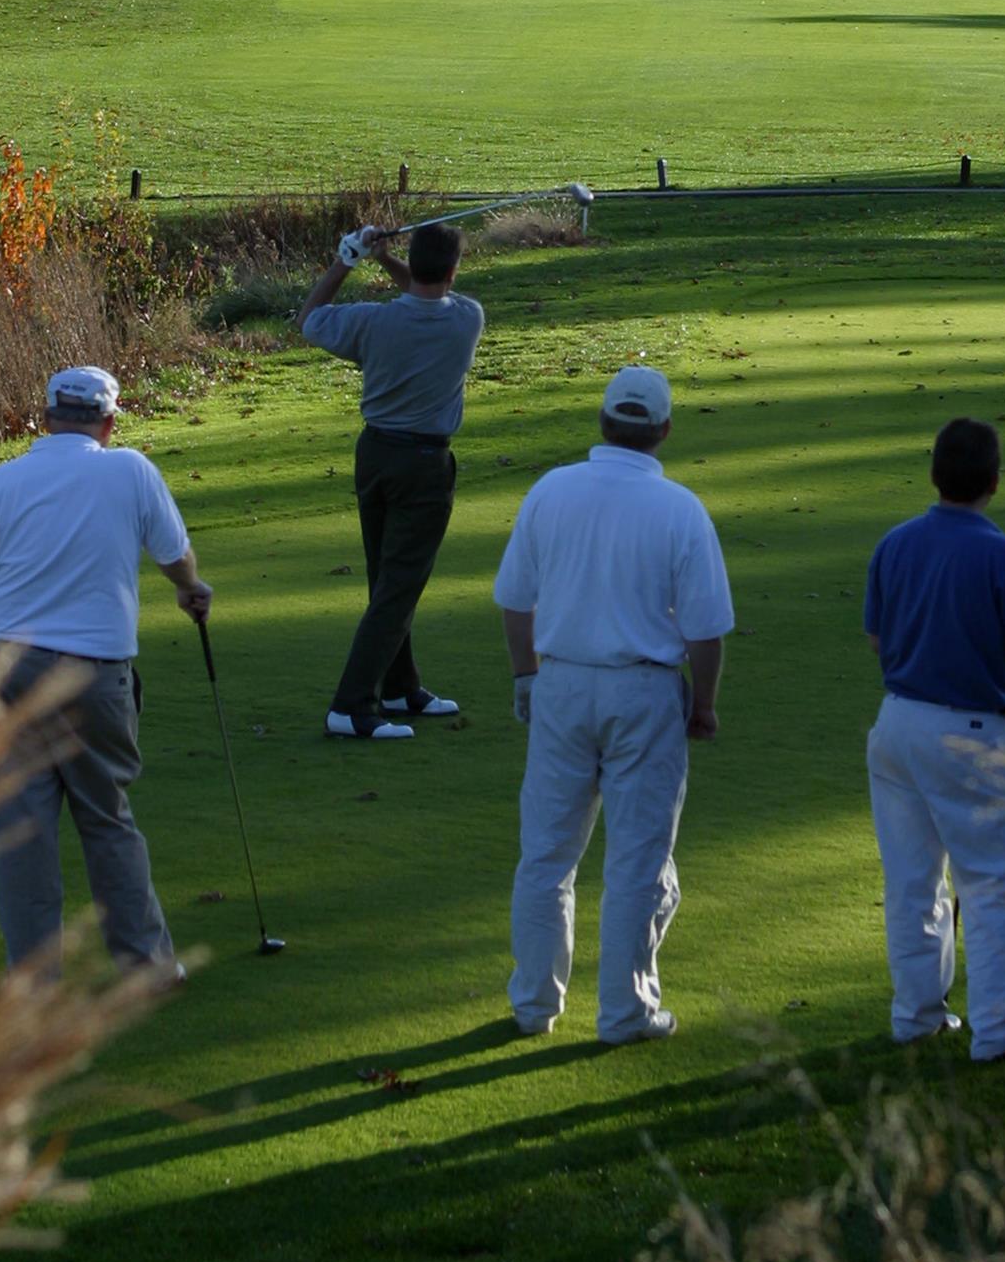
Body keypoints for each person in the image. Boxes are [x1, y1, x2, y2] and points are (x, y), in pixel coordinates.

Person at [0, 364, 212, 975]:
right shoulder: (131, 469)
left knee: (22, 833)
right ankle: (144, 965)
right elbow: (175, 556)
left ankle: (34, 988)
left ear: (44, 418)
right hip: (96, 674)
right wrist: (190, 589)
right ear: (110, 422)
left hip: (5, 670)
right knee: (106, 818)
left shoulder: (4, 481)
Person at [494, 364, 733, 1043]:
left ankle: (534, 1005)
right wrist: (704, 706)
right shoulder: (680, 508)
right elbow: (705, 631)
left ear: (604, 422)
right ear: (662, 430)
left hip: (561, 684)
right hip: (644, 690)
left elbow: (516, 599)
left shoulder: (551, 490)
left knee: (545, 855)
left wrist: (525, 678)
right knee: (637, 860)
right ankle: (625, 1012)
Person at [863, 417, 1005, 1066]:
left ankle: (917, 1015)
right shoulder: (999, 552)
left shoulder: (895, 543)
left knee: (912, 881)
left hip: (896, 723)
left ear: (934, 474)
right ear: (994, 480)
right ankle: (1001, 1033)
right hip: (971, 731)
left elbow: (877, 635)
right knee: (996, 883)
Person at [301, 218, 485, 741]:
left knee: (388, 580)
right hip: (425, 466)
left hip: (375, 455)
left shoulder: (369, 322)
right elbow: (426, 290)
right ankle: (350, 705)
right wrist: (386, 260)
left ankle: (402, 687)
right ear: (453, 270)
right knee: (397, 589)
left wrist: (352, 258)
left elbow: (310, 317)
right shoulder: (467, 318)